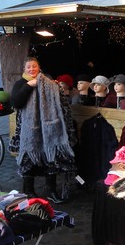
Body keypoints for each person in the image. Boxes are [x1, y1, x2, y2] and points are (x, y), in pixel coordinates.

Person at [10, 57, 76, 203]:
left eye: (34, 66)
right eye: (28, 67)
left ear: (39, 67)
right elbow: (15, 102)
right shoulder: (20, 83)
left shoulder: (49, 84)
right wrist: (29, 86)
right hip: (28, 130)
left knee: (50, 158)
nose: (31, 69)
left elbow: (63, 104)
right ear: (24, 69)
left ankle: (51, 190)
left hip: (49, 129)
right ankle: (28, 191)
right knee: (29, 158)